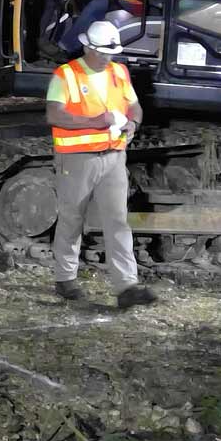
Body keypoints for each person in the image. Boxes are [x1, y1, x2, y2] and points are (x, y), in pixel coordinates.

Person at [46, 19, 158, 306]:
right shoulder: (65, 75)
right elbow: (55, 115)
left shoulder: (118, 72)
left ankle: (127, 287)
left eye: (112, 52)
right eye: (103, 52)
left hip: (113, 158)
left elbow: (134, 105)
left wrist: (133, 122)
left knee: (118, 221)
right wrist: (96, 122)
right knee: (72, 219)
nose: (109, 57)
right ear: (87, 47)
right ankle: (65, 279)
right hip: (77, 160)